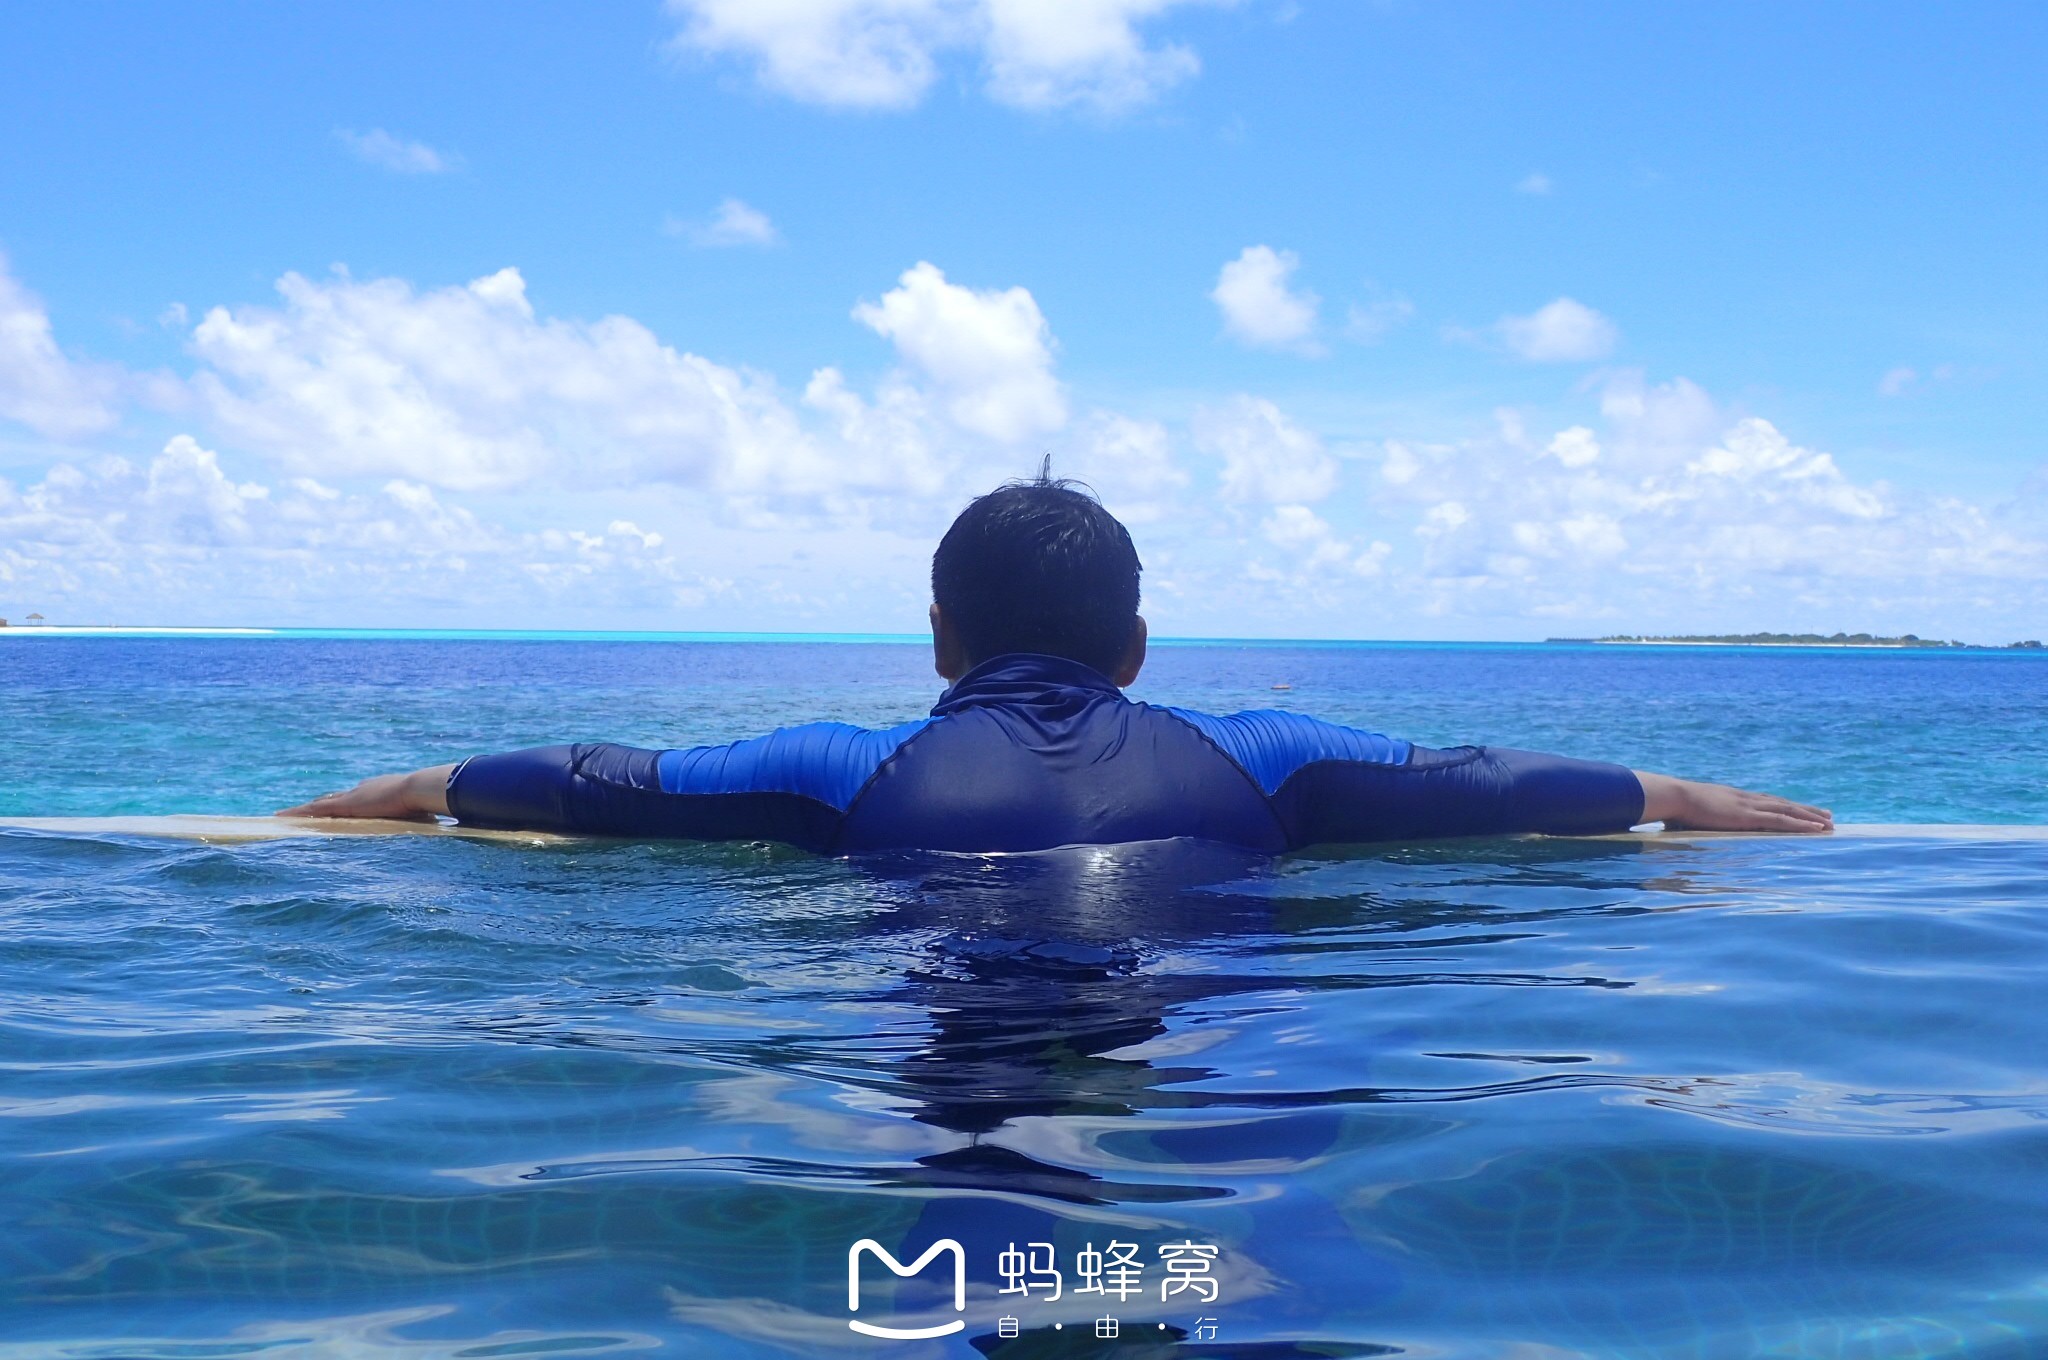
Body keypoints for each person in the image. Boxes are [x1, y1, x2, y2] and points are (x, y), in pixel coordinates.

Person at [280, 475, 1832, 850]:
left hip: (958, 1079)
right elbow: (1499, 784)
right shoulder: (1268, 757)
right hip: (1209, 1084)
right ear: (1138, 647)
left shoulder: (841, 771)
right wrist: (1680, 795)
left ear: (938, 639)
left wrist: (400, 788)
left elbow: (593, 780)